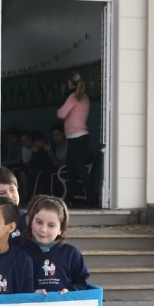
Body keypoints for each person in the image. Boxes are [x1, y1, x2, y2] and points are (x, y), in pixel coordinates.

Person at [57, 72, 96, 207]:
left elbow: (61, 113)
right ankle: (70, 199)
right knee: (73, 169)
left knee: (77, 170)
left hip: (76, 138)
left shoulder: (73, 97)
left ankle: (90, 199)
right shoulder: (84, 97)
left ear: (70, 83)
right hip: (81, 137)